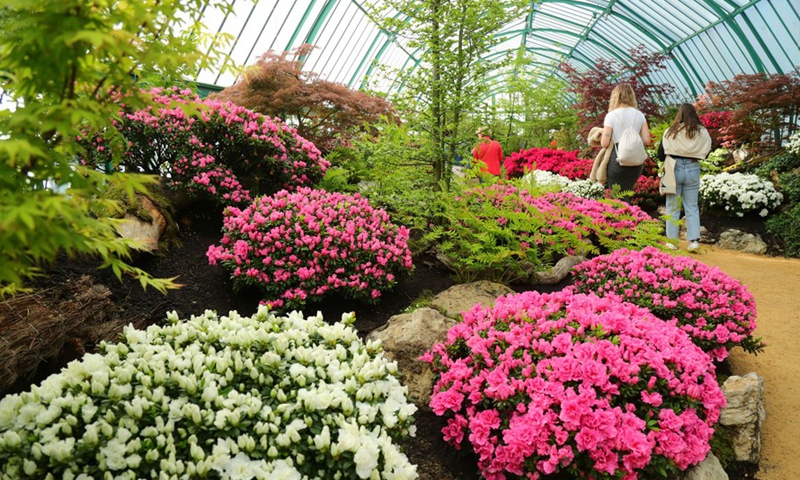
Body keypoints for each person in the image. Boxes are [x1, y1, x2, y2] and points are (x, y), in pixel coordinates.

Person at [659, 103, 712, 252]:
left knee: (673, 207)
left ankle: (672, 242)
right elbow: (706, 153)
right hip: (692, 168)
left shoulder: (671, 131)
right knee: (692, 206)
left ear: (679, 115)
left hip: (673, 169)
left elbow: (661, 155)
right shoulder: (702, 132)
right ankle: (694, 242)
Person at [600, 83, 651, 195]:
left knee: (617, 194)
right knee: (627, 192)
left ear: (615, 96)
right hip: (635, 160)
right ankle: (631, 211)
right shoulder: (640, 115)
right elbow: (647, 140)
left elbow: (604, 143)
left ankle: (623, 212)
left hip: (617, 158)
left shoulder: (611, 116)